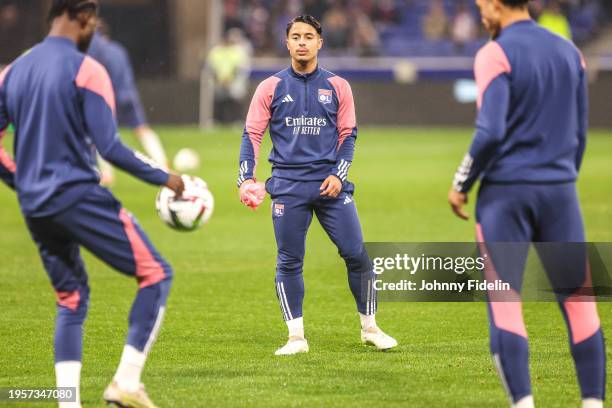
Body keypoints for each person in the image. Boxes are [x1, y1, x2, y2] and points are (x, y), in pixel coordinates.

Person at [0, 1, 184, 407]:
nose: (94, 31)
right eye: (93, 23)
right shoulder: (88, 70)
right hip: (77, 194)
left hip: (35, 205)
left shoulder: (11, 72)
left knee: (70, 299)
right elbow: (111, 148)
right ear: (82, 18)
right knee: (155, 274)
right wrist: (167, 178)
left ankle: (68, 403)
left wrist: (22, 181)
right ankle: (126, 383)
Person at [448, 1, 605, 407]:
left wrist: (461, 182)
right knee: (580, 303)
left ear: (499, 5)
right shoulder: (570, 52)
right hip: (560, 193)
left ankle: (524, 403)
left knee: (505, 304)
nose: (481, 14)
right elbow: (580, 131)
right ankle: (591, 402)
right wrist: (560, 177)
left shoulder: (493, 53)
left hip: (506, 195)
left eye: (483, 6)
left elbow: (489, 132)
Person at [237, 15, 397, 356]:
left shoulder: (338, 86)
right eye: (296, 36)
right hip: (288, 187)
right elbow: (251, 134)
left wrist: (339, 175)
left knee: (357, 255)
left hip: (330, 187)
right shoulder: (270, 87)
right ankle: (296, 338)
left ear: (320, 42)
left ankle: (370, 328)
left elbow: (348, 135)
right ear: (287, 42)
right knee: (289, 261)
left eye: (308, 36)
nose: (302, 42)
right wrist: (246, 179)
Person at [88, 20, 169, 185]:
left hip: (108, 95)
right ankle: (163, 165)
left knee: (99, 134)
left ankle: (106, 174)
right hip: (129, 93)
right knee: (142, 129)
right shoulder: (118, 49)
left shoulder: (93, 48)